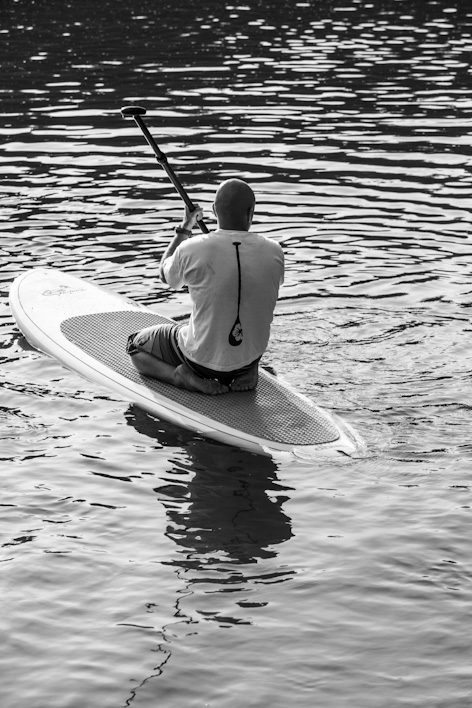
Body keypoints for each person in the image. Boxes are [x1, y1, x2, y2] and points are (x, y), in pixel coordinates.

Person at [126, 178, 284, 395]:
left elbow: (165, 274)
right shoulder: (275, 251)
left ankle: (179, 376)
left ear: (214, 211)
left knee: (135, 346)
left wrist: (184, 228)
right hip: (250, 358)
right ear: (251, 213)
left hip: (200, 363)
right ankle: (249, 369)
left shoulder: (191, 248)